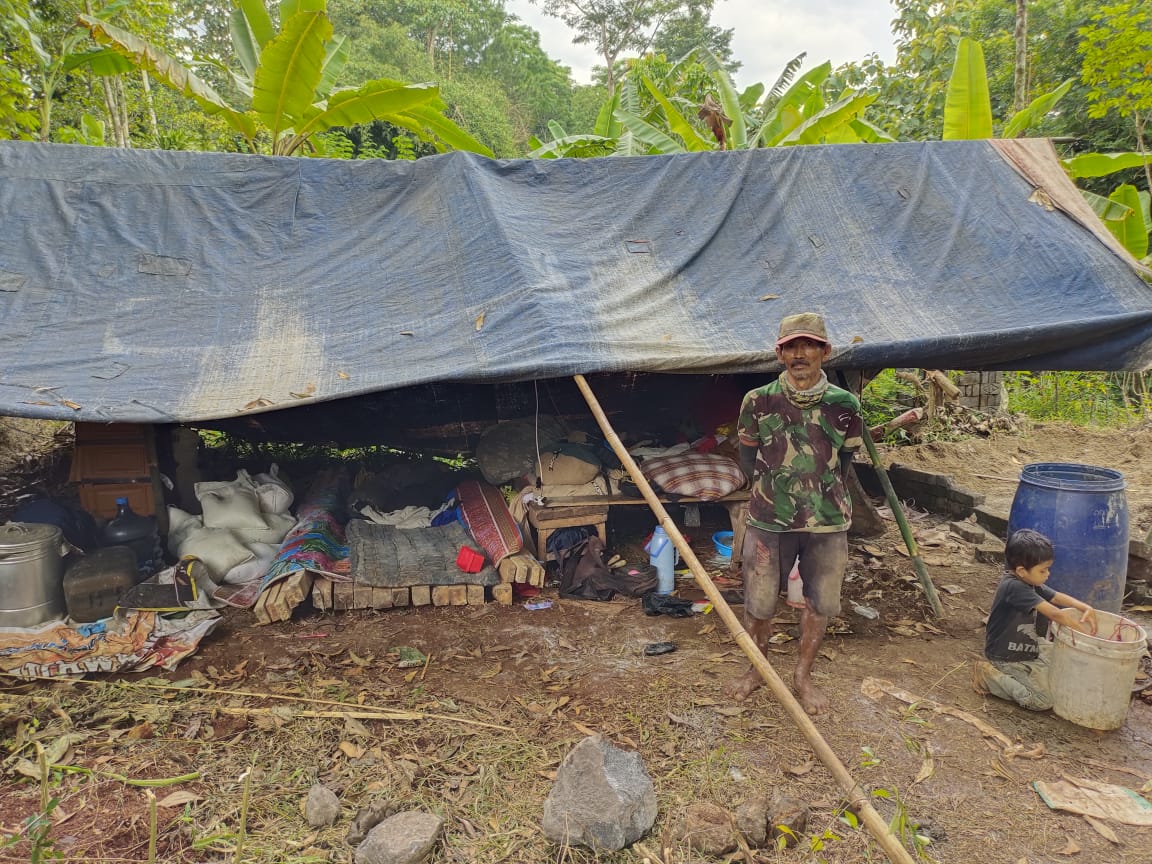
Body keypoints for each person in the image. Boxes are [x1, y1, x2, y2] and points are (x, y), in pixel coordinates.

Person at [730, 312, 862, 715]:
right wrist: (776, 493)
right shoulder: (758, 400)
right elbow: (747, 457)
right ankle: (757, 670)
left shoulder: (845, 404)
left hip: (827, 522)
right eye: (790, 346)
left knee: (821, 603)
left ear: (825, 351)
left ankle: (803, 675)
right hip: (769, 521)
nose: (799, 353)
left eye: (807, 345)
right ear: (779, 352)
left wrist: (814, 493)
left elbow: (845, 459)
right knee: (759, 602)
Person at [972, 528, 1097, 710]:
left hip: (1030, 645)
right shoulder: (1013, 587)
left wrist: (1085, 607)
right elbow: (1055, 613)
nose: (1048, 575)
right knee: (1042, 701)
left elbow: (1055, 597)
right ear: (1022, 570)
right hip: (1006, 656)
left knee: (1066, 663)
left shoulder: (1030, 581)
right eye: (1043, 570)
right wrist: (1086, 636)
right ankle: (988, 676)